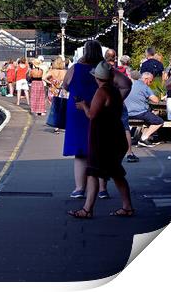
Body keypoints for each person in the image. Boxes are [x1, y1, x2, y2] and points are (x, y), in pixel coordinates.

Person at [68, 61, 133, 219]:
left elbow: (92, 115)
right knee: (117, 173)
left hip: (103, 138)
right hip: (116, 135)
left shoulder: (101, 92)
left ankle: (87, 209)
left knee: (93, 172)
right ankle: (127, 207)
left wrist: (83, 105)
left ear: (97, 78)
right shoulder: (115, 91)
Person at [62, 40, 108, 199]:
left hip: (77, 110)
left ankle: (79, 188)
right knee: (99, 150)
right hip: (100, 109)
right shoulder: (104, 68)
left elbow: (65, 85)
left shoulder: (75, 68)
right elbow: (121, 85)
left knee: (80, 152)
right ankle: (102, 189)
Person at [104, 49, 137, 163]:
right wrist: (121, 97)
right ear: (115, 58)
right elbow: (128, 84)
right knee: (125, 128)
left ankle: (108, 152)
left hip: (105, 102)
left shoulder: (102, 70)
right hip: (118, 101)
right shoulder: (119, 70)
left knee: (105, 127)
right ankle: (129, 152)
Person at [125, 72, 164, 147]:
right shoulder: (145, 87)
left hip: (127, 112)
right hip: (139, 112)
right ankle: (144, 138)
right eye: (150, 81)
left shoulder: (131, 84)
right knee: (159, 121)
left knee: (150, 116)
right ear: (146, 79)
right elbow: (155, 100)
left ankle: (139, 137)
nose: (151, 83)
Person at [45, 57, 68, 133]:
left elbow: (43, 78)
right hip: (62, 91)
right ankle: (62, 125)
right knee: (62, 109)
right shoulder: (64, 72)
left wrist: (51, 82)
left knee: (55, 108)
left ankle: (56, 126)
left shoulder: (52, 71)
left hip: (53, 90)